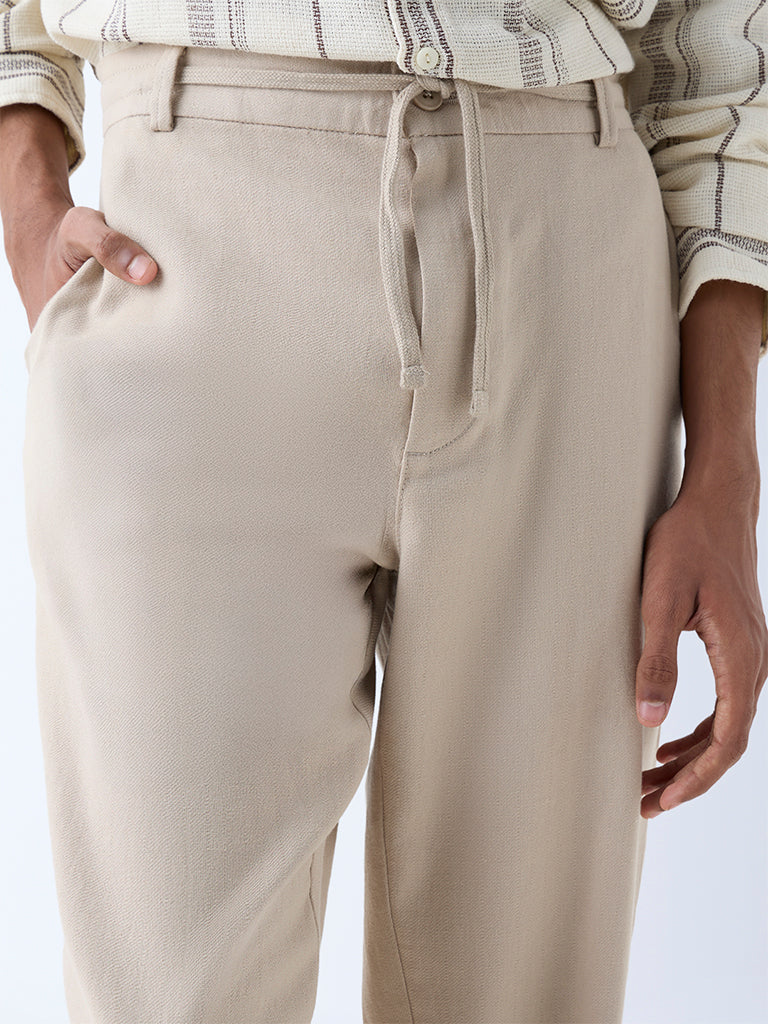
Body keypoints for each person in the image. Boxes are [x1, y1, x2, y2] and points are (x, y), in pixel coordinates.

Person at [1, 3, 767, 1023]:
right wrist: (27, 196)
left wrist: (727, 472)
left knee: (522, 999)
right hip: (190, 239)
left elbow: (724, 56)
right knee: (167, 992)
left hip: (565, 256)